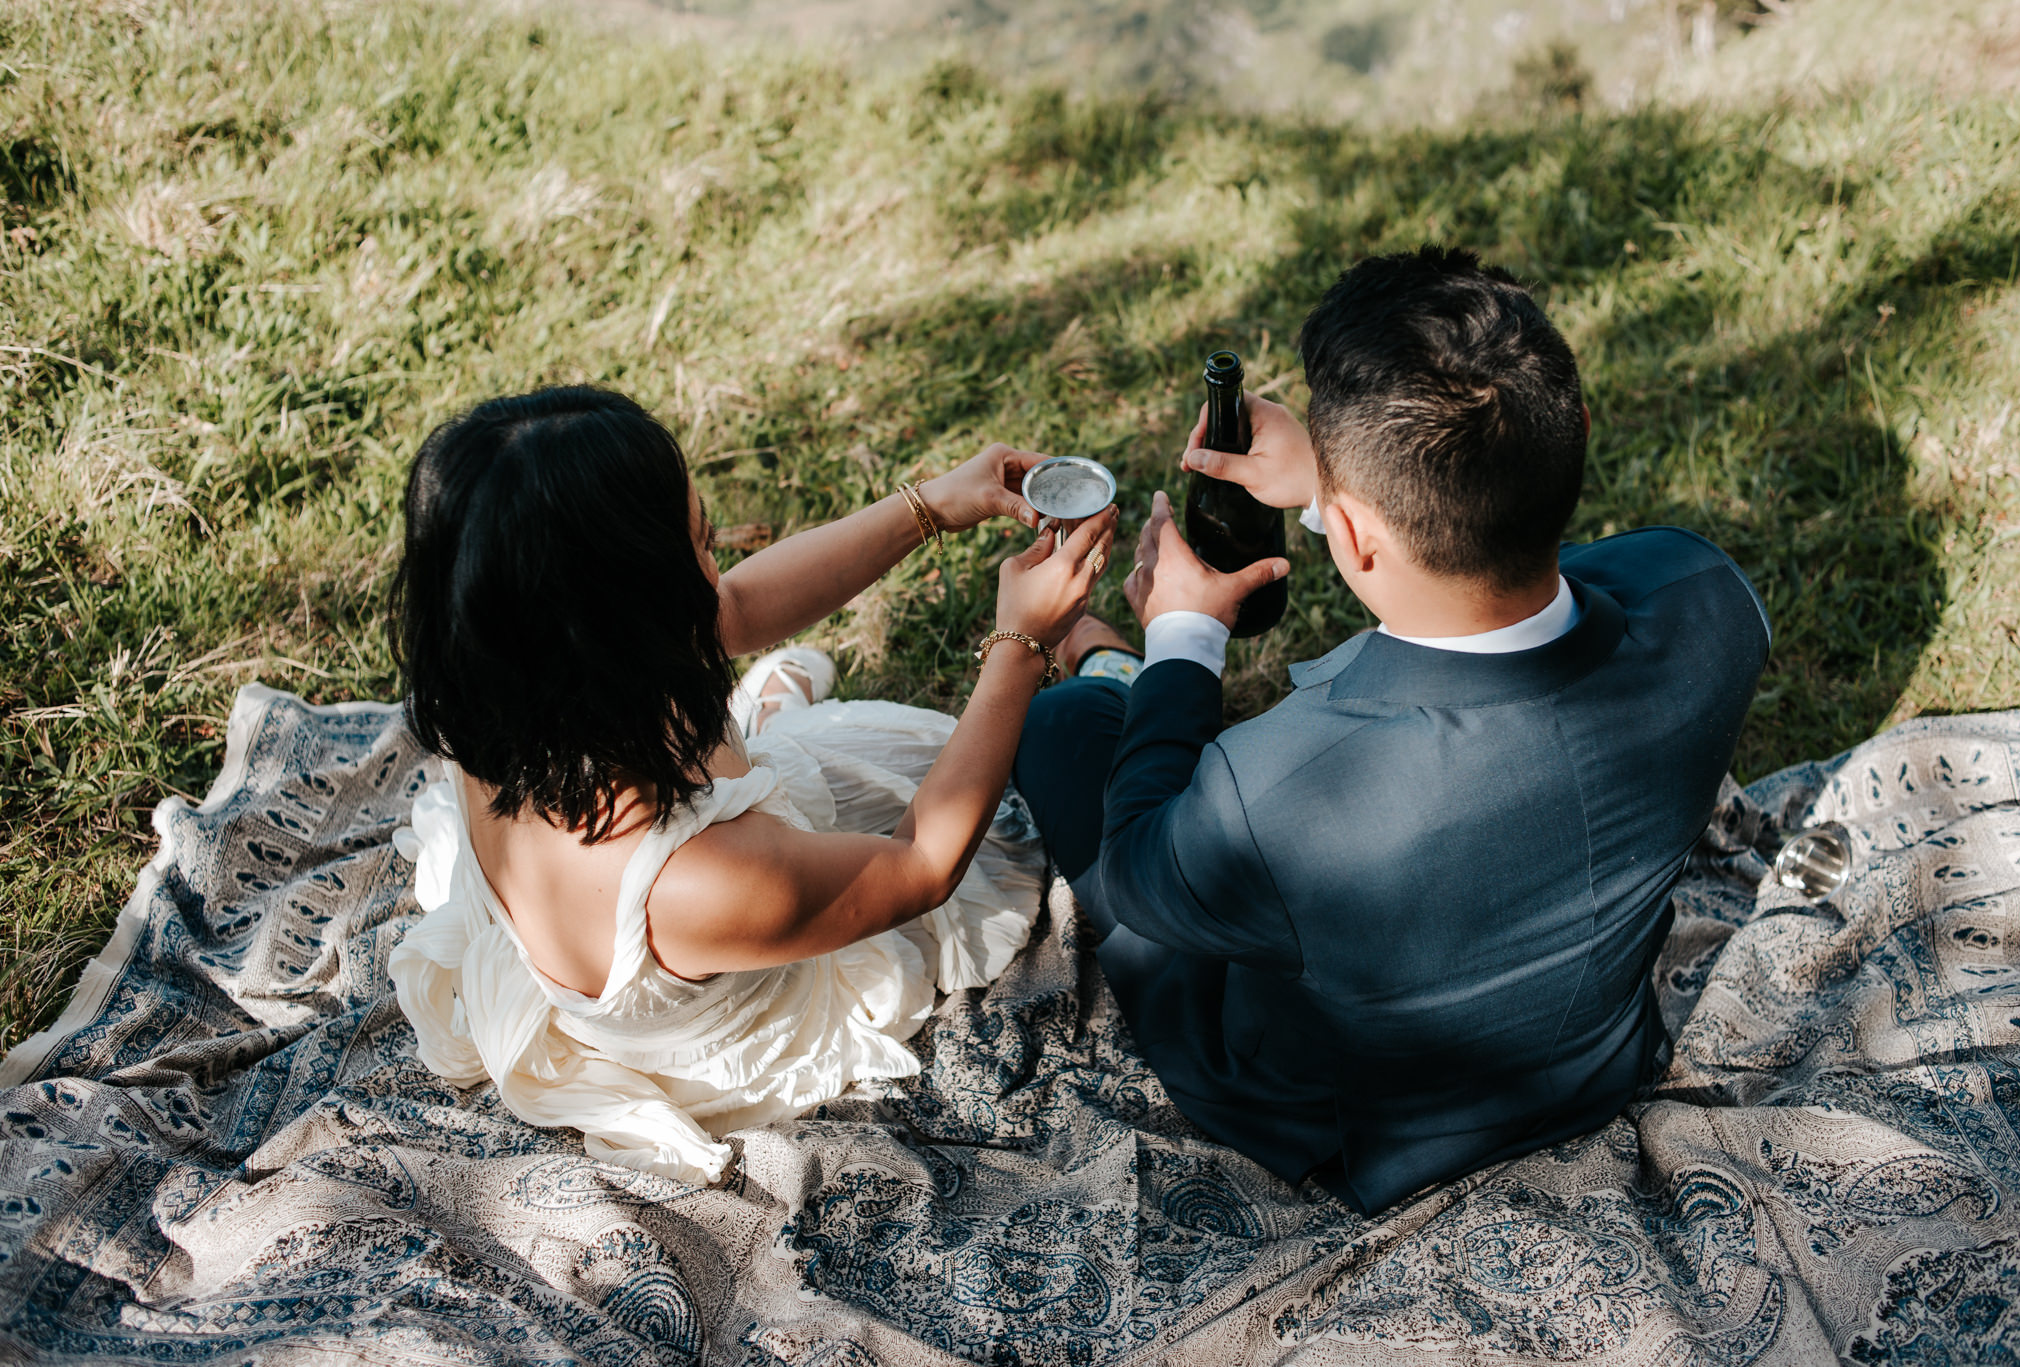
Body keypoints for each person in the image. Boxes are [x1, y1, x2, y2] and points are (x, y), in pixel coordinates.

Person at [1012, 247, 1771, 1217]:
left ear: (1356, 538)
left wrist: (1182, 636)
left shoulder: (1276, 792)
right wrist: (1335, 490)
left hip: (1342, 1122)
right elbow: (1505, 552)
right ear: (1577, 427)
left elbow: (1132, 872)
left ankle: (1110, 665)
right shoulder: (1706, 599)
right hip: (1598, 1059)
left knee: (1073, 722)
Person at [384, 386, 1114, 1186]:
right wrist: (1020, 644)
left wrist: (932, 504)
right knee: (994, 782)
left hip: (710, 878)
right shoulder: (697, 880)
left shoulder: (503, 694)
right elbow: (921, 865)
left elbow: (730, 608)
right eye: (700, 549)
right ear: (633, 621)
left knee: (809, 742)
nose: (716, 569)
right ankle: (1096, 667)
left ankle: (768, 712)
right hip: (759, 969)